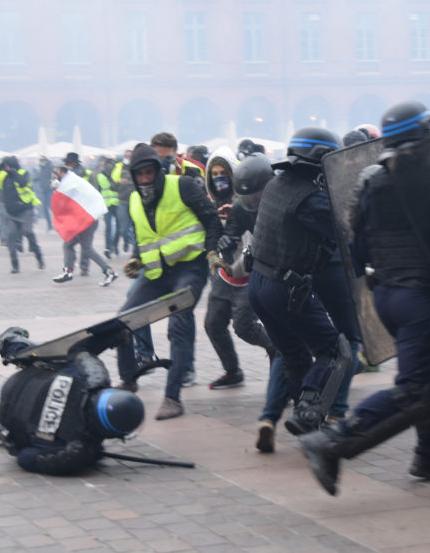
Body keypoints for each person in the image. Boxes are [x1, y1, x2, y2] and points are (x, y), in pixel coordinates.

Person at [299, 102, 430, 495]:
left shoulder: (372, 179)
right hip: (421, 297)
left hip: (387, 295)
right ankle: (331, 442)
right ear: (425, 137)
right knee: (415, 390)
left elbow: (356, 239)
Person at [247, 127, 353, 437]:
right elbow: (344, 232)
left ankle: (303, 424)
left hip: (258, 286)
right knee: (336, 351)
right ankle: (308, 412)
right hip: (286, 290)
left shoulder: (275, 185)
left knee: (294, 357)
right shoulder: (311, 199)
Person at [115, 143, 223, 419]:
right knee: (123, 321)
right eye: (139, 175)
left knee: (178, 323)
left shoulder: (183, 186)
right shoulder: (135, 200)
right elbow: (146, 236)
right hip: (155, 274)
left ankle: (172, 398)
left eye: (149, 173)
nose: (145, 179)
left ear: (158, 171)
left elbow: (212, 220)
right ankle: (128, 379)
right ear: (133, 176)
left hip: (190, 268)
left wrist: (212, 251)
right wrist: (136, 257)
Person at [0, 327, 145, 475]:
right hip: (8, 416)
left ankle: (11, 345)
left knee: (55, 359)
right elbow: (25, 458)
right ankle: (3, 433)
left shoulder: (93, 377)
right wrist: (85, 456)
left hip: (25, 378)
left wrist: (108, 338)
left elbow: (76, 350)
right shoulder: (73, 445)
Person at [202, 146, 273, 390]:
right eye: (215, 173)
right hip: (224, 275)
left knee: (245, 327)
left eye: (224, 172)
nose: (219, 178)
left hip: (250, 275)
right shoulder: (209, 203)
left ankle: (277, 346)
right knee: (213, 323)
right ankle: (232, 371)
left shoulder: (247, 201)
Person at [50, 165, 118, 286]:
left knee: (86, 248)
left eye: (56, 173)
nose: (55, 176)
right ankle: (68, 271)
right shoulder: (71, 180)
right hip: (84, 220)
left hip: (87, 220)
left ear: (63, 173)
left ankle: (110, 272)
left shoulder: (71, 182)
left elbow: (64, 196)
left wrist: (57, 187)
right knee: (68, 244)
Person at [0, 155, 45, 274]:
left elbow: (23, 183)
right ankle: (15, 265)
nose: (6, 168)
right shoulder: (3, 177)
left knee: (28, 232)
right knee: (10, 236)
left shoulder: (24, 173)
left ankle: (39, 257)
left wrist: (13, 172)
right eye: (4, 166)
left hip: (25, 209)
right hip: (11, 212)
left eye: (7, 166)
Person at [95, 157, 121, 258]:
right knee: (108, 228)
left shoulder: (116, 175)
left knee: (119, 228)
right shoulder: (100, 176)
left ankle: (114, 245)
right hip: (106, 205)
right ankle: (108, 248)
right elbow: (98, 191)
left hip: (116, 203)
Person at [34, 156, 55, 231]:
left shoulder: (50, 168)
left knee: (51, 207)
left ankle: (55, 223)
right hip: (43, 190)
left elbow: (55, 178)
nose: (41, 162)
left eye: (43, 160)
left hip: (50, 190)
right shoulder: (41, 169)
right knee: (45, 208)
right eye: (40, 160)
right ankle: (49, 225)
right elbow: (38, 178)